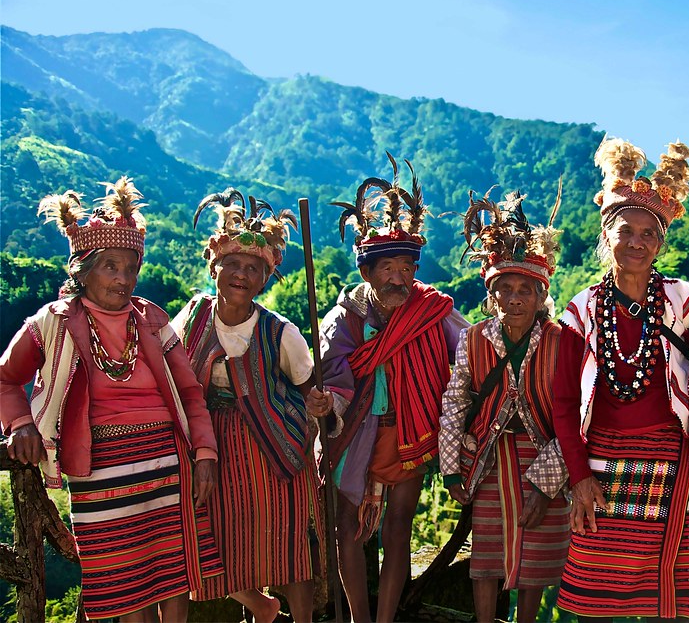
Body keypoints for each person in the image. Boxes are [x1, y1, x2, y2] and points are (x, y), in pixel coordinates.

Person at [0, 178, 223, 622]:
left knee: (174, 573)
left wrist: (205, 453)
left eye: (130, 267)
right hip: (99, 465)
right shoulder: (54, 322)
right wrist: (20, 424)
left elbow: (190, 392)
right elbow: (6, 379)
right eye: (110, 266)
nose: (123, 279)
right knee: (124, 582)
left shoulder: (153, 320)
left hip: (167, 458)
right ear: (82, 271)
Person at [552, 137, 689, 621]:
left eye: (649, 232)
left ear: (661, 241)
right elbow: (564, 402)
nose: (637, 242)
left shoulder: (684, 302)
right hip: (603, 466)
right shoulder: (581, 310)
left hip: (672, 461)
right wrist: (579, 478)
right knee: (601, 602)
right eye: (626, 230)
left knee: (678, 599)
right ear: (607, 236)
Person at [319, 154, 469, 623]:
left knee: (398, 530)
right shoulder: (346, 318)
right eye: (388, 268)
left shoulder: (431, 311)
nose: (399, 277)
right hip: (356, 434)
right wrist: (329, 400)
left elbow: (471, 351)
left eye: (407, 266)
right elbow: (330, 370)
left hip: (411, 433)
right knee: (347, 529)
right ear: (367, 272)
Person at [173, 189, 331, 623]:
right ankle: (260, 606)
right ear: (215, 267)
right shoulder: (191, 317)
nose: (241, 275)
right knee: (211, 535)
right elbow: (164, 365)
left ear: (265, 279)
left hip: (275, 448)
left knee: (287, 545)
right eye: (233, 265)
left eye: (253, 269)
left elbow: (308, 387)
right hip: (213, 447)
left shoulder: (281, 333)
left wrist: (320, 405)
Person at [438, 187, 569, 623]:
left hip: (543, 455)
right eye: (505, 289)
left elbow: (577, 415)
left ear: (539, 296)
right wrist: (452, 467)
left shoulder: (559, 342)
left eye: (525, 290)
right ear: (491, 296)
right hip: (489, 456)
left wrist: (546, 482)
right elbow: (457, 399)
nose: (514, 298)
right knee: (488, 548)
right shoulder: (475, 339)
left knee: (535, 551)